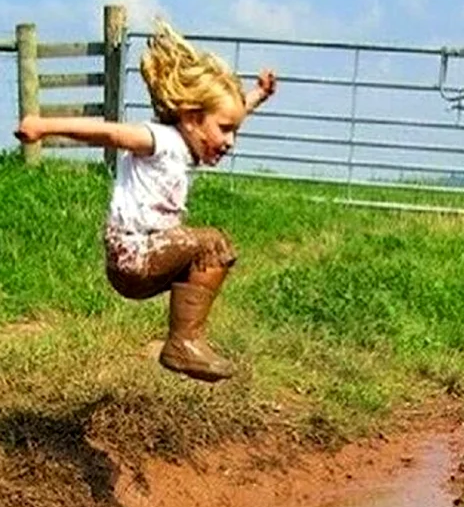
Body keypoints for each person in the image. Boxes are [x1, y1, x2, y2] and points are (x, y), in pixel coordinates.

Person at [15, 21, 277, 382]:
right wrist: (43, 126)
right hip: (132, 256)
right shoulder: (158, 138)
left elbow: (223, 114)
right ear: (191, 118)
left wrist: (256, 96)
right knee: (212, 243)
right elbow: (109, 132)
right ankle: (182, 343)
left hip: (151, 259)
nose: (231, 142)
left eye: (236, 130)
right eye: (226, 130)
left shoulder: (188, 139)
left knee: (216, 251)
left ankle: (186, 342)